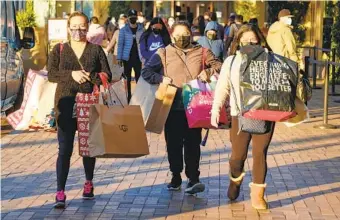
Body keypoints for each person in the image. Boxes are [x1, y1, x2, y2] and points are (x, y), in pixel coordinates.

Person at [142, 21, 222, 194]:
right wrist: (161, 79)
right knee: (173, 144)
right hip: (171, 106)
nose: (181, 38)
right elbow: (146, 72)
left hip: (195, 105)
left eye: (185, 34)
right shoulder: (163, 53)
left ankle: (193, 178)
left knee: (193, 143)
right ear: (171, 35)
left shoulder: (202, 52)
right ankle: (175, 175)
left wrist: (207, 72)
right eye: (177, 35)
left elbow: (219, 65)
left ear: (191, 34)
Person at [47, 11, 112, 208]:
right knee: (64, 149)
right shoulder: (58, 49)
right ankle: (60, 191)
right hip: (65, 104)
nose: (78, 30)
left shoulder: (96, 50)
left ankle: (89, 183)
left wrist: (91, 76)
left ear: (88, 27)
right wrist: (71, 74)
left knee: (88, 148)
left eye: (82, 26)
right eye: (74, 27)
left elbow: (106, 74)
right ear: (68, 28)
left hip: (89, 103)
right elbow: (51, 74)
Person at [211, 24, 275, 210]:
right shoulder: (231, 62)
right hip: (239, 115)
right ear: (238, 42)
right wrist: (216, 109)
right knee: (237, 158)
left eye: (253, 41)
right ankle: (235, 179)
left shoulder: (270, 60)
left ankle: (258, 196)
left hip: (265, 113)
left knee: (259, 153)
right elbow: (223, 87)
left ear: (260, 42)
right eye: (245, 41)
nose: (249, 44)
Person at [117, 9, 144, 101]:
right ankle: (127, 97)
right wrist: (119, 58)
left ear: (136, 17)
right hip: (126, 57)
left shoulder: (141, 29)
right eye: (131, 17)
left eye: (134, 16)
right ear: (128, 18)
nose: (133, 18)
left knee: (139, 77)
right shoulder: (124, 30)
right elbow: (120, 44)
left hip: (138, 57)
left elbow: (144, 43)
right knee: (127, 78)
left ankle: (139, 97)